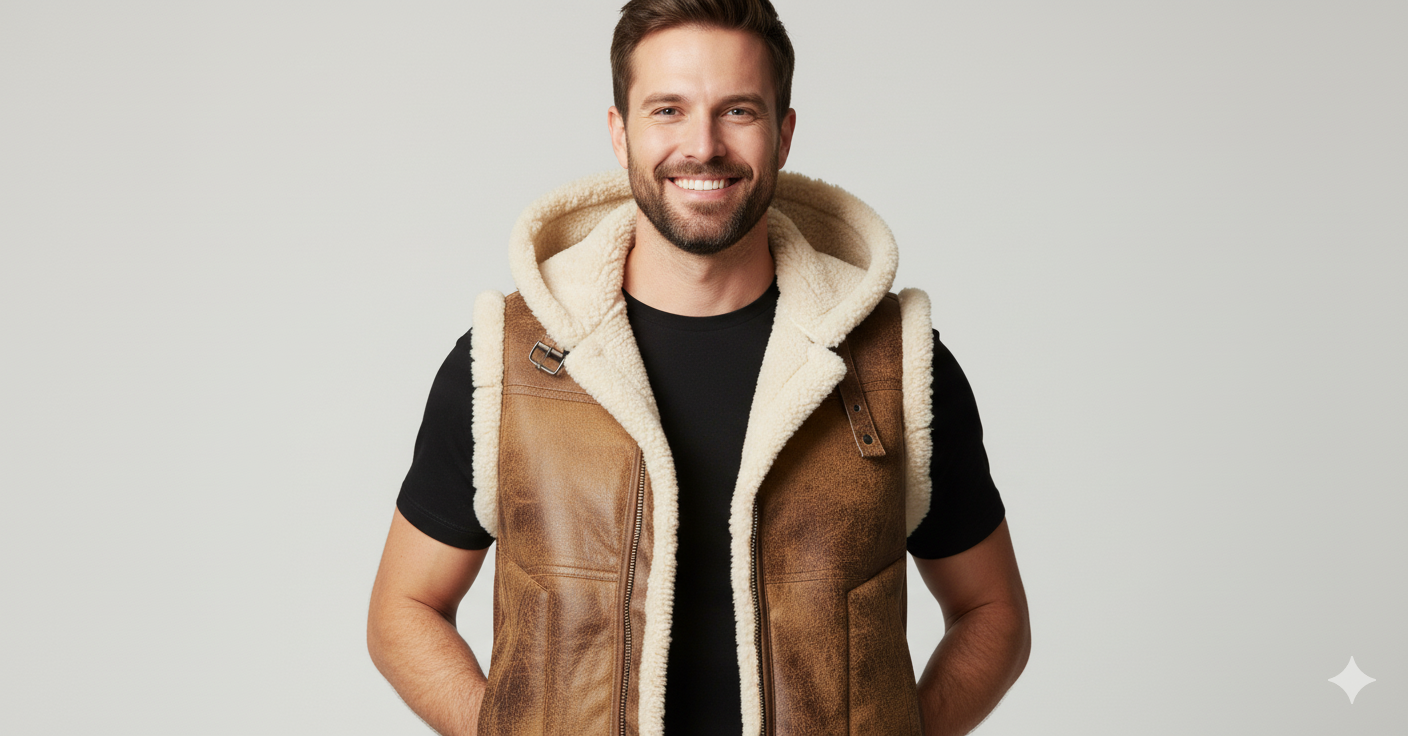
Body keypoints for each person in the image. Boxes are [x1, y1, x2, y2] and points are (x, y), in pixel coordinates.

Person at [367, 1, 1030, 733]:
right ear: (620, 133)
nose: (702, 145)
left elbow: (992, 611)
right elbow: (403, 608)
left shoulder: (892, 361)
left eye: (738, 111)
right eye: (668, 110)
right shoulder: (509, 361)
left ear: (783, 134)